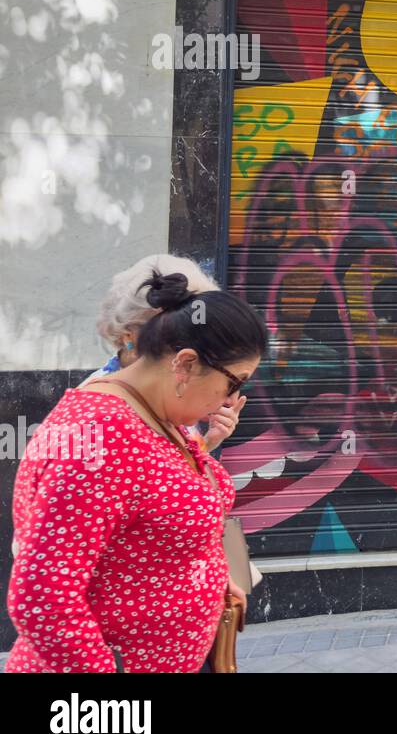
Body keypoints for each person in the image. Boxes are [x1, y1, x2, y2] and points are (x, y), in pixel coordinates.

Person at [6, 270, 268, 673]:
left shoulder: (155, 413)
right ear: (185, 364)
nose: (232, 399)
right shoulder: (100, 435)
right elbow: (43, 594)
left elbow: (148, 526)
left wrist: (207, 576)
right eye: (234, 383)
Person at [80, 254, 242, 454]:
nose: (187, 349)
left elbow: (172, 472)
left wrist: (208, 441)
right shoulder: (97, 407)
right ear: (128, 335)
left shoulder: (171, 387)